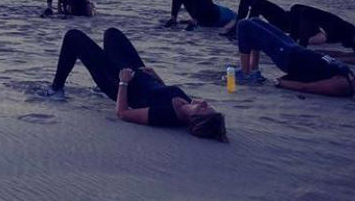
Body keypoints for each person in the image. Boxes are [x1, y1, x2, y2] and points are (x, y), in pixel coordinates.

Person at [39, 27, 227, 141]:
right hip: (139, 73)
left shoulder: (166, 115)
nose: (203, 104)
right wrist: (157, 77)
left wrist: (122, 82)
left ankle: (56, 89)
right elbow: (161, 92)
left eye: (203, 110)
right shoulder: (186, 102)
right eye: (208, 105)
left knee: (73, 37)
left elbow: (123, 113)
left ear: (195, 121)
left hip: (117, 81)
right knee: (112, 34)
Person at [235, 18, 355, 98]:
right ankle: (253, 71)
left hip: (289, 57)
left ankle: (246, 73)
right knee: (255, 21)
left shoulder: (343, 85)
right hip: (295, 49)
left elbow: (308, 88)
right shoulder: (350, 77)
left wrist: (280, 82)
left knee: (244, 25)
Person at [163, 0, 236, 30]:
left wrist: (223, 29)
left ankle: (194, 20)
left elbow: (229, 26)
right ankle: (173, 19)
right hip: (202, 14)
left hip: (213, 15)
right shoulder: (232, 14)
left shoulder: (235, 16)